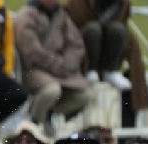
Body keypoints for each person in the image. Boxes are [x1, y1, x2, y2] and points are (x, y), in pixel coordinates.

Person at [15, 0, 93, 134]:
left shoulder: (60, 15)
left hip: (62, 70)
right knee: (52, 91)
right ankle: (34, 123)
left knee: (86, 94)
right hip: (35, 70)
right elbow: (30, 50)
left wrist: (68, 63)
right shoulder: (26, 15)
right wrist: (56, 63)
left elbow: (76, 44)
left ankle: (47, 113)